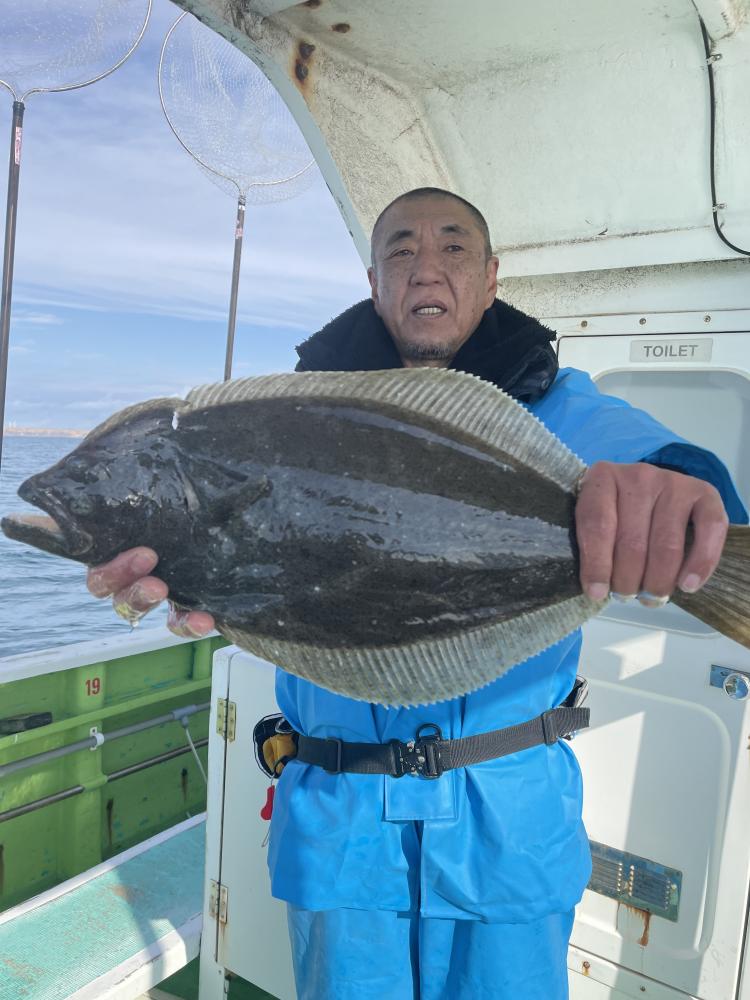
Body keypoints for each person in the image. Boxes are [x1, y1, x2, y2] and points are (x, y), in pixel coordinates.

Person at [87, 189, 744, 999]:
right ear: (374, 282)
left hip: (507, 827)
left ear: (491, 276)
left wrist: (676, 490)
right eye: (400, 250)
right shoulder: (297, 423)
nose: (425, 267)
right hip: (342, 826)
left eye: (453, 247)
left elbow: (659, 463)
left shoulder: (556, 408)